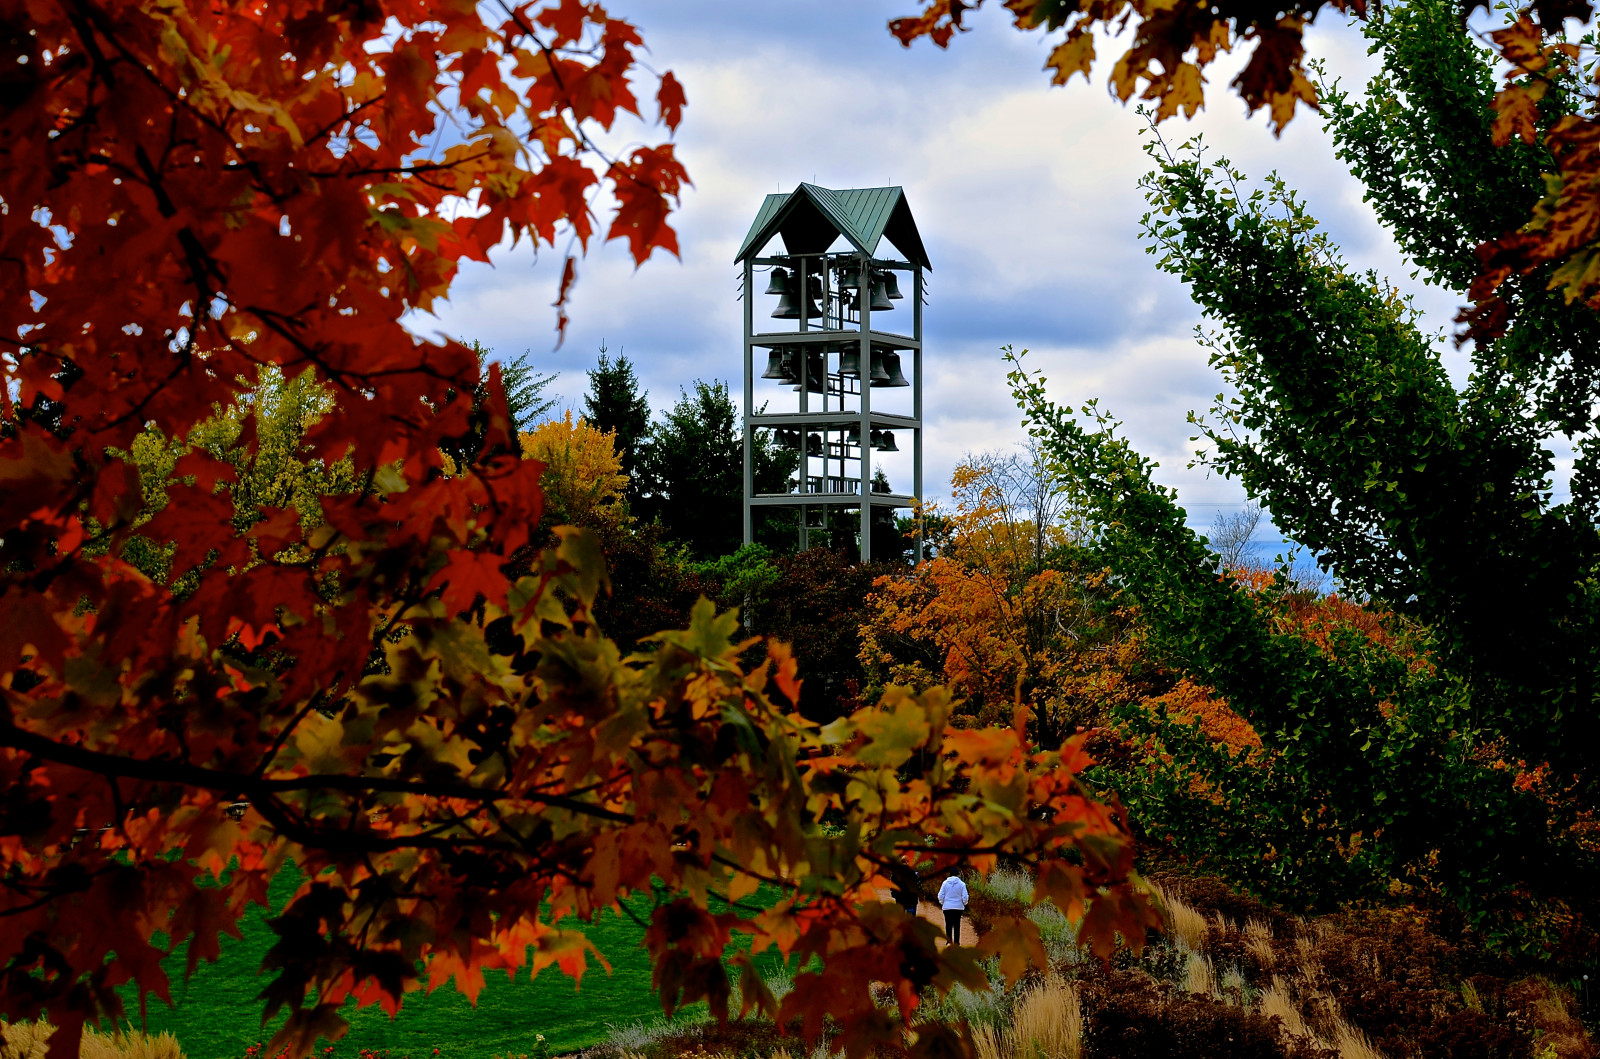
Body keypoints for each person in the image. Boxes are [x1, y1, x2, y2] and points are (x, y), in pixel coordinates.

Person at [937, 869, 969, 945]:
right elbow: (965, 897)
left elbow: (940, 895)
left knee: (948, 924)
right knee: (957, 925)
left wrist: (943, 903)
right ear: (958, 874)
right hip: (958, 907)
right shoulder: (962, 884)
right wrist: (964, 904)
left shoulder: (945, 883)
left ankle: (949, 941)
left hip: (947, 907)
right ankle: (956, 943)